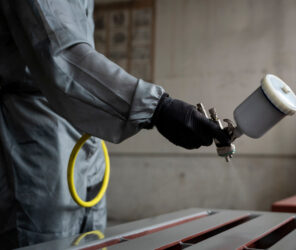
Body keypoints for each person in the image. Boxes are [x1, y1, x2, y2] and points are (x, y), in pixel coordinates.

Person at [0, 1, 230, 248]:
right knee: (46, 238)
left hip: (86, 137)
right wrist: (157, 108)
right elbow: (63, 56)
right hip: (36, 133)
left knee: (93, 238)